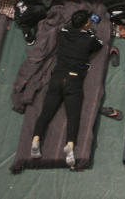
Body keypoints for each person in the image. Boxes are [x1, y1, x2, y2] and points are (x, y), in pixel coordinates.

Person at [31, 10, 103, 167]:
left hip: (57, 76)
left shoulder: (63, 32)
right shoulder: (89, 38)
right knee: (73, 115)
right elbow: (99, 45)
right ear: (86, 24)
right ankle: (70, 146)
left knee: (46, 113)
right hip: (74, 79)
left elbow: (67, 33)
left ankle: (36, 140)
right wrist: (90, 33)